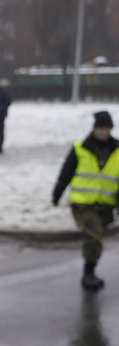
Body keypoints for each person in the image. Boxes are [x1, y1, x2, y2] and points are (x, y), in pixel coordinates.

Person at [51, 110, 119, 291]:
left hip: (106, 206)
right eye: (100, 128)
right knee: (93, 234)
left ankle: (91, 270)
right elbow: (66, 174)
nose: (103, 132)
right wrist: (57, 195)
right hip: (82, 204)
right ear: (94, 129)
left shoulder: (117, 150)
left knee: (97, 236)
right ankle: (87, 274)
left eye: (107, 128)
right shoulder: (80, 148)